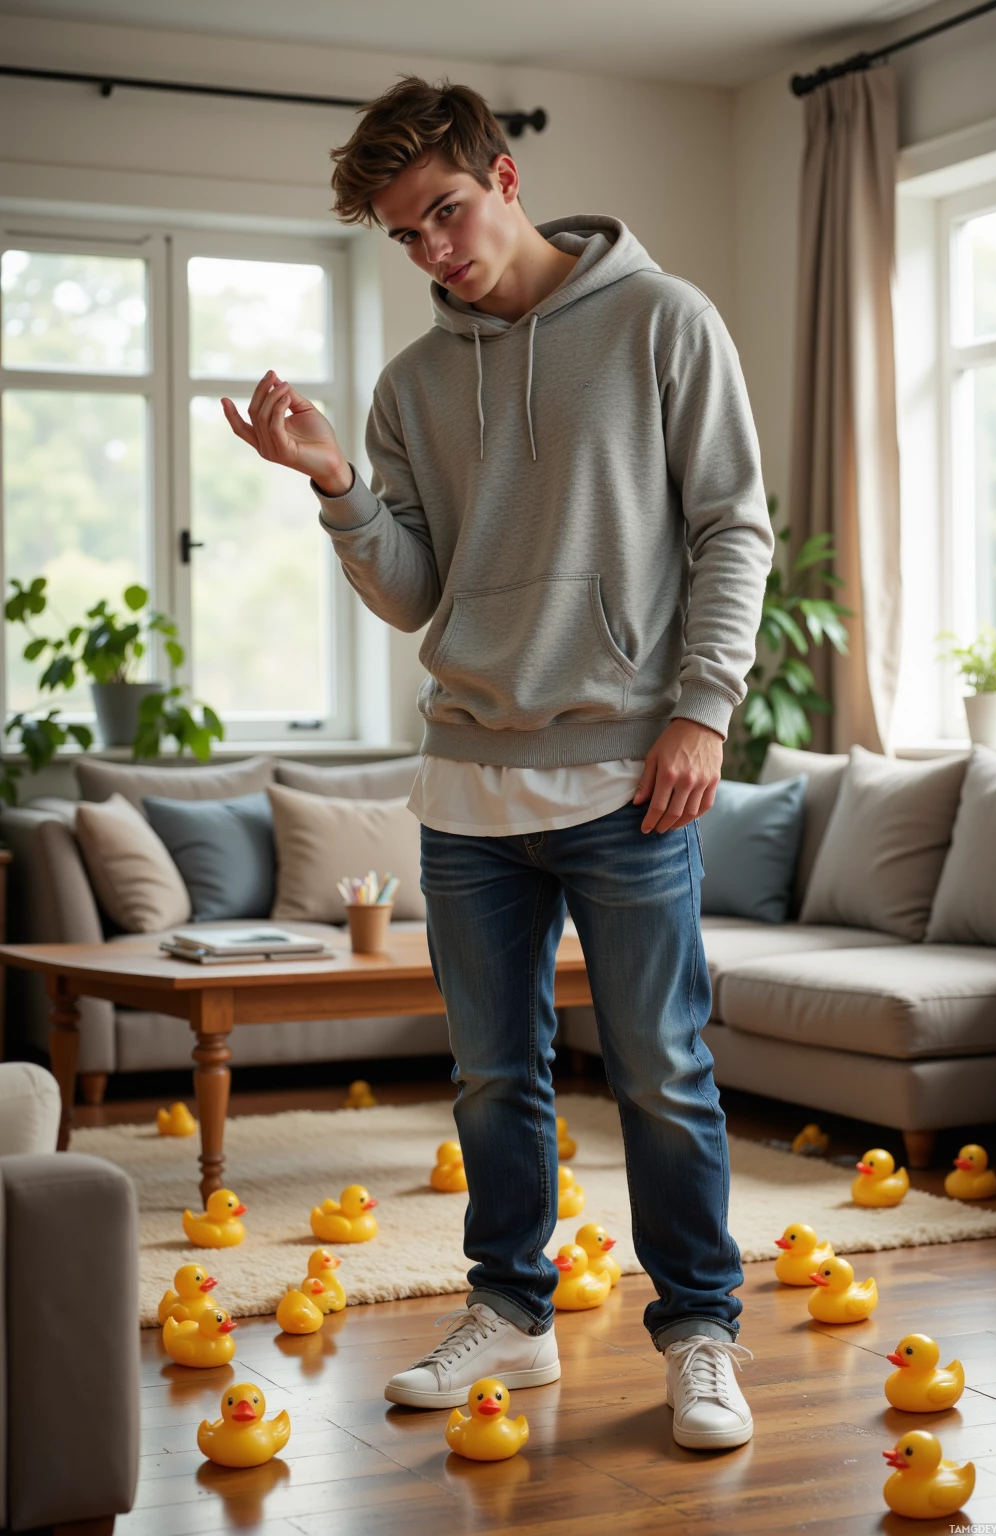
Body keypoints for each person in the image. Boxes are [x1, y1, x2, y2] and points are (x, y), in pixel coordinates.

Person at [223, 75, 773, 1454]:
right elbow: (416, 594)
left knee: (660, 1066)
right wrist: (338, 481)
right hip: (466, 786)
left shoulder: (665, 322)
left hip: (629, 777)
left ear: (505, 178)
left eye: (446, 214)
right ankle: (512, 1317)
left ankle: (701, 1329)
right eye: (405, 236)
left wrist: (702, 708)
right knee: (491, 1075)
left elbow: (732, 528)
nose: (433, 251)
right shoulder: (414, 384)